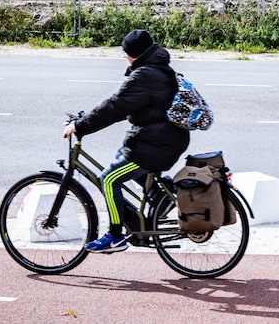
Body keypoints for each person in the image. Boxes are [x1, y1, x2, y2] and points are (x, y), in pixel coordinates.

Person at [62, 29, 189, 253]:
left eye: (125, 52)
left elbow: (115, 106)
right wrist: (86, 120)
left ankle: (115, 236)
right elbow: (127, 107)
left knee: (108, 179)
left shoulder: (144, 75)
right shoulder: (157, 69)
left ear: (134, 53)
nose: (124, 56)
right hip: (163, 139)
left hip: (158, 144)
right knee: (122, 155)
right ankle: (160, 195)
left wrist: (80, 126)